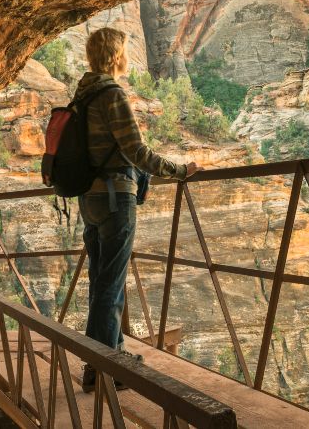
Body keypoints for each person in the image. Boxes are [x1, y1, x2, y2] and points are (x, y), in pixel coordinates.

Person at [74, 27, 198, 391]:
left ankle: (114, 355)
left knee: (103, 281)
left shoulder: (83, 95)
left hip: (90, 199)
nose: (128, 57)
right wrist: (179, 171)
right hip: (115, 199)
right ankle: (100, 370)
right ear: (116, 56)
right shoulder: (111, 94)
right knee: (110, 286)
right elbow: (137, 151)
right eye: (125, 52)